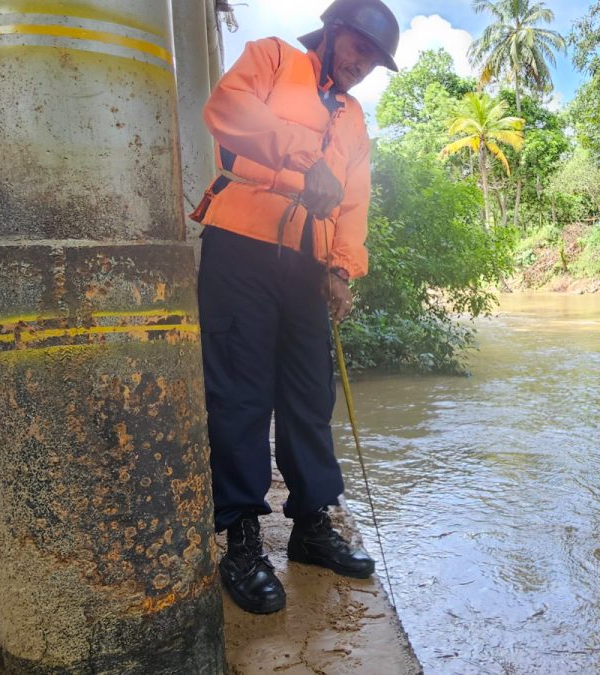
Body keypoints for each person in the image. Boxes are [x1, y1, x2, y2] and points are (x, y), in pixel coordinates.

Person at [189, 0, 400, 615]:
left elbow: (353, 201)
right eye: (358, 47)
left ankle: (311, 526)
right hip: (241, 245)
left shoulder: (356, 119)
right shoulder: (273, 58)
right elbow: (224, 110)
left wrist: (342, 267)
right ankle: (243, 540)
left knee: (310, 397)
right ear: (333, 33)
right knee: (240, 394)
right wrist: (303, 157)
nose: (363, 64)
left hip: (308, 262)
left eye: (373, 58)